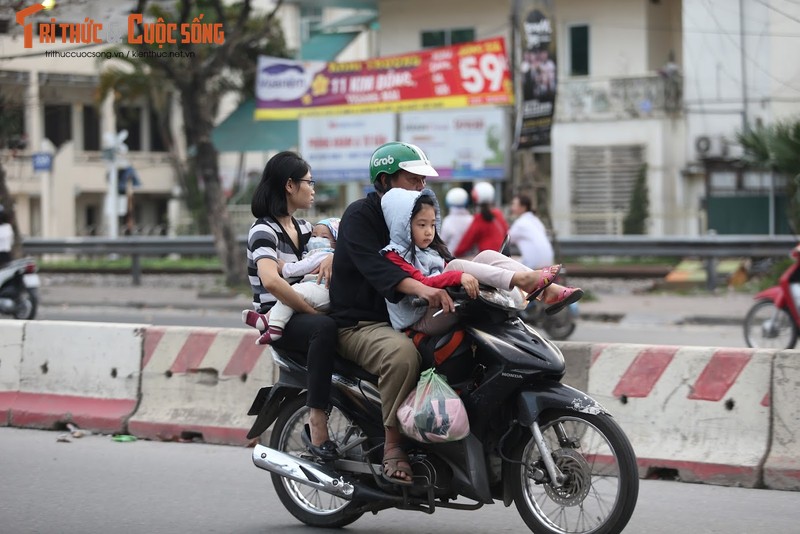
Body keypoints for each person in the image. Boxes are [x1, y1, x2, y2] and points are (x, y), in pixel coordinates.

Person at [328, 141, 454, 486]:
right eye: (413, 179)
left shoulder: (414, 212)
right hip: (360, 324)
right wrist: (425, 290)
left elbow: (441, 255)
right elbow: (380, 269)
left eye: (424, 181)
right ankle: (393, 445)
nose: (421, 187)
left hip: (404, 317)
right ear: (385, 180)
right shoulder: (360, 216)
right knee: (403, 356)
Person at [380, 187, 582, 335]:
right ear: (402, 225)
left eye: (432, 225)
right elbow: (422, 284)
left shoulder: (428, 248)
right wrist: (459, 275)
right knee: (456, 265)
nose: (428, 231)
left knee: (486, 255)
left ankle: (547, 291)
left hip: (443, 304)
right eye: (421, 225)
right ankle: (528, 282)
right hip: (419, 318)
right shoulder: (394, 254)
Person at [245, 151, 339, 461]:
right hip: (280, 318)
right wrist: (309, 310)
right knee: (323, 328)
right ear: (289, 185)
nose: (313, 189)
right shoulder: (263, 231)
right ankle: (317, 421)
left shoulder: (305, 227)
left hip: (302, 308)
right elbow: (271, 281)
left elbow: (321, 258)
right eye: (309, 182)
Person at [243, 217, 340, 345]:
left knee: (293, 291)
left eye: (325, 237)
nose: (316, 239)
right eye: (314, 235)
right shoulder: (263, 230)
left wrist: (284, 267)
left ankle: (271, 323)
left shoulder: (308, 230)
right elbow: (271, 283)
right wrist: (313, 313)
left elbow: (303, 266)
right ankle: (272, 323)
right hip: (286, 300)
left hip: (318, 288)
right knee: (291, 294)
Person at [452, 181, 509, 258]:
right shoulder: (498, 214)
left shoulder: (479, 218)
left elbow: (467, 241)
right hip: (502, 255)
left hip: (488, 258)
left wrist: (456, 253)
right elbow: (506, 232)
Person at [508, 194, 554, 269]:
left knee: (505, 262)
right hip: (548, 263)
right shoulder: (536, 221)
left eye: (514, 205)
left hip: (533, 265)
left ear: (523, 207)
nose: (511, 208)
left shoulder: (520, 223)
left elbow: (506, 239)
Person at [440, 187, 473, 253]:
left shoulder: (448, 221)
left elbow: (442, 242)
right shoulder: (472, 219)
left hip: (452, 259)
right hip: (472, 259)